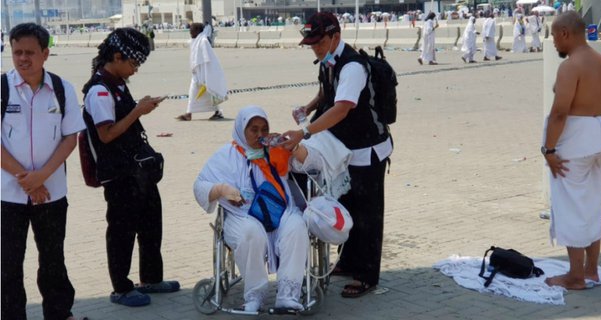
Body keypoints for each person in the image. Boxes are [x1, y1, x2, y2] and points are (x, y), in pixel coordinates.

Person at [283, 12, 393, 298]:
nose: (315, 48)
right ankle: (348, 261)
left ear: (335, 37)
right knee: (348, 205)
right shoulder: (329, 61)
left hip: (367, 149)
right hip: (345, 149)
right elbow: (326, 93)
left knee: (369, 212)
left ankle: (367, 275)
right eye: (311, 44)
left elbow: (343, 106)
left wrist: (305, 133)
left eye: (319, 43)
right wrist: (308, 109)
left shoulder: (353, 66)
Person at [81, 28, 180, 307]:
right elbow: (106, 134)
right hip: (119, 174)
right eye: (133, 63)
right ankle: (121, 288)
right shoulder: (100, 90)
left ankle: (150, 278)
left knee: (151, 223)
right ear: (116, 56)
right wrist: (138, 111)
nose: (135, 70)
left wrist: (139, 107)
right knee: (122, 231)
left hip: (138, 172)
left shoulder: (118, 83)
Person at [1, 22, 86, 320]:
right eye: (16, 52)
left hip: (52, 193)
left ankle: (59, 312)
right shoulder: (1, 89)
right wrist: (28, 181)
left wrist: (42, 177)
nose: (23, 59)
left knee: (52, 260)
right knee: (8, 263)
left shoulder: (62, 89)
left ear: (45, 53)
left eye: (30, 52)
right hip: (8, 196)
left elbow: (70, 138)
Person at [193, 106, 315, 311]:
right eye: (254, 130)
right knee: (250, 233)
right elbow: (199, 186)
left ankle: (288, 295)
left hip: (280, 211)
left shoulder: (275, 149)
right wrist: (221, 189)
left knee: (296, 226)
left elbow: (311, 164)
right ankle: (254, 297)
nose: (260, 135)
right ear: (242, 130)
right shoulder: (226, 155)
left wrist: (292, 146)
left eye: (264, 129)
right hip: (242, 215)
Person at [542, 11, 601, 290]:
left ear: (564, 34)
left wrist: (549, 150)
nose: (553, 42)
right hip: (596, 136)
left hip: (575, 139)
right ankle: (591, 269)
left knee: (570, 205)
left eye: (553, 36)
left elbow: (560, 112)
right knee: (590, 203)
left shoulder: (571, 66)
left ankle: (575, 276)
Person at [176, 23, 227, 121]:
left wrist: (205, 76)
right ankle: (189, 113)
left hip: (205, 73)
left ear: (198, 31)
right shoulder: (195, 40)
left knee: (210, 92)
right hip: (197, 73)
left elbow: (207, 59)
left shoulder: (203, 41)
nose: (190, 32)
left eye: (192, 30)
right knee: (194, 93)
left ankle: (216, 112)